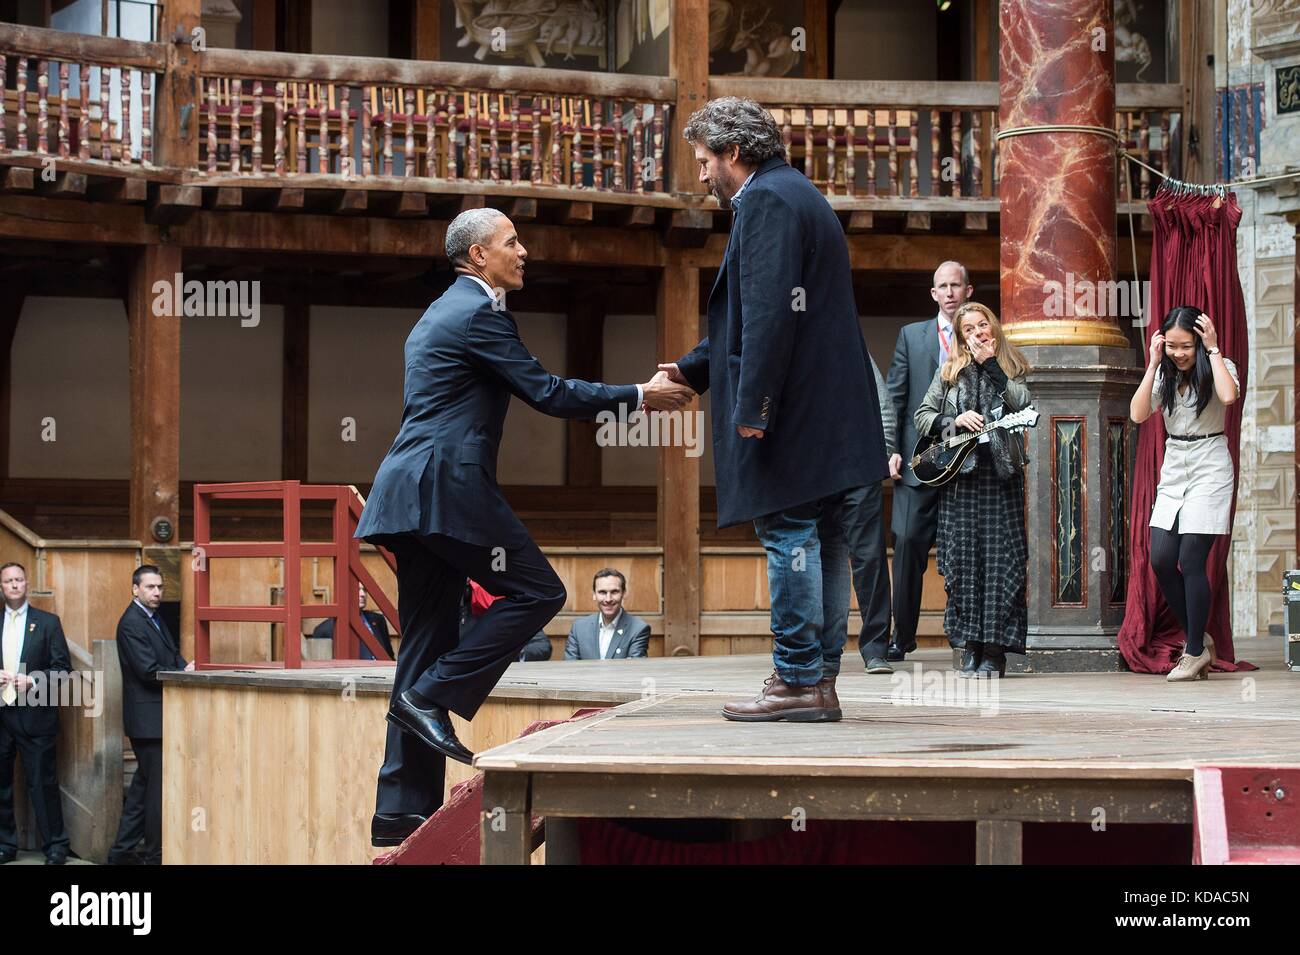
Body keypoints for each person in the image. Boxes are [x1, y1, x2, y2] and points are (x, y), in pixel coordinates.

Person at [355, 207, 693, 847]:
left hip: (407, 494)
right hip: (446, 488)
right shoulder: (478, 315)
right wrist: (639, 395)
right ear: (478, 255)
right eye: (511, 242)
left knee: (424, 640)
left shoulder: (437, 312)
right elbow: (548, 392)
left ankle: (400, 807)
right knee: (540, 592)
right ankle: (433, 695)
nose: (524, 251)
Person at [658, 97, 888, 721]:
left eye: (705, 161)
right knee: (830, 541)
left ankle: (797, 678)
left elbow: (765, 318)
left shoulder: (763, 201)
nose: (702, 174)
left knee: (789, 534)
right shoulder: (799, 194)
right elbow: (758, 314)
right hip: (829, 410)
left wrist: (754, 407)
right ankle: (820, 681)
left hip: (791, 411)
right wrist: (689, 369)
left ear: (734, 153)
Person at [914, 302, 1032, 678]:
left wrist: (992, 366)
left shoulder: (1012, 367)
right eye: (970, 329)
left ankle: (994, 650)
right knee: (964, 563)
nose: (979, 332)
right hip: (960, 481)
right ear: (961, 337)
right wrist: (954, 421)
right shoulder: (948, 372)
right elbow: (922, 418)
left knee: (1001, 563)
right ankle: (970, 646)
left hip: (1001, 479)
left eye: (984, 324)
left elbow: (1023, 404)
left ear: (993, 328)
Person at [1129, 306, 1239, 682]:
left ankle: (1193, 652)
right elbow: (1138, 414)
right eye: (1172, 346)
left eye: (1185, 346)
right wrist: (1152, 364)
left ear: (1199, 341)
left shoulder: (1221, 366)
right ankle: (1199, 634)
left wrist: (1213, 349)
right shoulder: (1165, 374)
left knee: (1191, 559)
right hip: (1175, 467)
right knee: (1161, 558)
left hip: (1210, 465)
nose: (1179, 353)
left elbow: (1227, 396)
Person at [884, 261, 974, 661]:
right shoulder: (911, 336)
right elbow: (894, 398)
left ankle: (965, 637)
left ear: (968, 291)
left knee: (964, 551)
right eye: (943, 286)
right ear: (933, 294)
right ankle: (900, 638)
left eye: (957, 285)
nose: (950, 292)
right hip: (917, 463)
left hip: (965, 463)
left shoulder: (980, 335)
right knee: (906, 544)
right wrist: (890, 448)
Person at [107, 565, 192, 865]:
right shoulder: (132, 622)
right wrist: (183, 673)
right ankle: (156, 854)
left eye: (159, 587)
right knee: (155, 791)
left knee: (144, 787)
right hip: (148, 721)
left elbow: (170, 655)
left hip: (158, 718)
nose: (156, 592)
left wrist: (185, 668)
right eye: (150, 587)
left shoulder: (153, 618)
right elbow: (147, 671)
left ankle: (120, 852)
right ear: (135, 589)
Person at [0, 562, 71, 865]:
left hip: (35, 714)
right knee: (1, 785)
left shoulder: (48, 622)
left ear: (27, 584)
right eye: (8, 581)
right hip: (1, 716)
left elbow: (64, 671)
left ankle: (56, 845)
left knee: (42, 783)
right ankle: (5, 844)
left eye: (19, 580)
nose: (14, 585)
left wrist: (32, 680)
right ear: (1, 587)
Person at [840, 356, 896, 674]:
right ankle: (822, 646)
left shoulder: (853, 347)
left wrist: (884, 453)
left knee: (869, 558)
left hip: (861, 467)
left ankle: (876, 648)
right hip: (812, 472)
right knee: (816, 558)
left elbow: (883, 404)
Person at [563, 568, 651, 660]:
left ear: (623, 593)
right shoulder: (579, 628)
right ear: (594, 594)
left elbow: (634, 668)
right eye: (602, 592)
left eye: (614, 592)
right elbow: (570, 666)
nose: (608, 599)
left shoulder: (638, 629)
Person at [309, 584, 395, 660]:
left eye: (364, 590)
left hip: (384, 673)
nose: (362, 594)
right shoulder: (324, 630)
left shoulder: (378, 620)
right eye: (357, 590)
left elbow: (389, 655)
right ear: (345, 593)